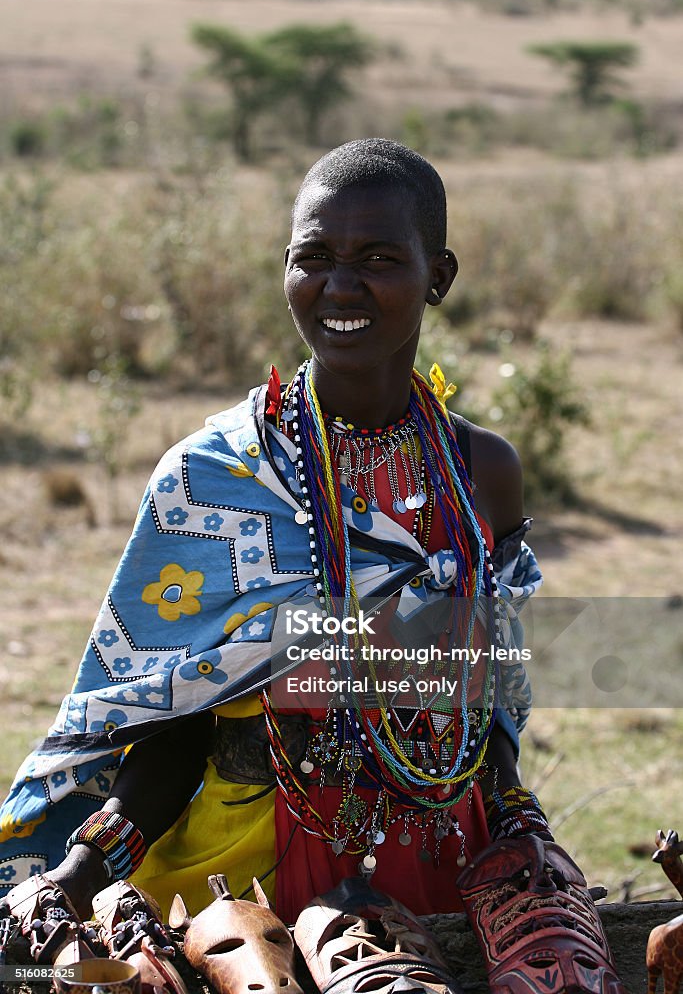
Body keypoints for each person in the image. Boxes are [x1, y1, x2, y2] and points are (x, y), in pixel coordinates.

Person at [1, 140, 620, 991]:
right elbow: (175, 714)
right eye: (314, 258)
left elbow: (488, 692)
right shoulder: (214, 476)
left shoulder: (482, 472)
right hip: (249, 869)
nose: (340, 285)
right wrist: (80, 872)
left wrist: (523, 835)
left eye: (378, 259)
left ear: (437, 277)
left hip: (448, 848)